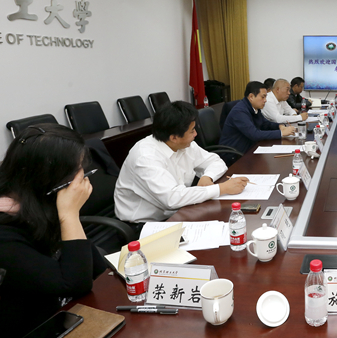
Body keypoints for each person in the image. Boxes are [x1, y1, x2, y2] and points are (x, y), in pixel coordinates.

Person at [0, 124, 106, 337]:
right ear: (47, 178)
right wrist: (70, 215)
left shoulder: (40, 201)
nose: (81, 180)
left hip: (63, 315)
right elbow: (75, 284)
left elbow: (97, 269)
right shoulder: (5, 234)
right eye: (75, 172)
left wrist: (68, 215)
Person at [114, 101, 248, 224]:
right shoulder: (145, 157)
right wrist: (221, 189)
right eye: (192, 131)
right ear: (174, 137)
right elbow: (172, 198)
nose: (196, 134)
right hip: (145, 223)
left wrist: (207, 177)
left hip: (178, 211)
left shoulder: (184, 144)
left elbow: (216, 161)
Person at [220, 81, 296, 158]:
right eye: (263, 97)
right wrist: (281, 133)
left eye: (266, 97)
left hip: (249, 148)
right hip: (234, 155)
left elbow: (265, 124)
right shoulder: (239, 112)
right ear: (251, 97)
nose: (265, 100)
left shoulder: (254, 108)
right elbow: (254, 134)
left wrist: (279, 126)